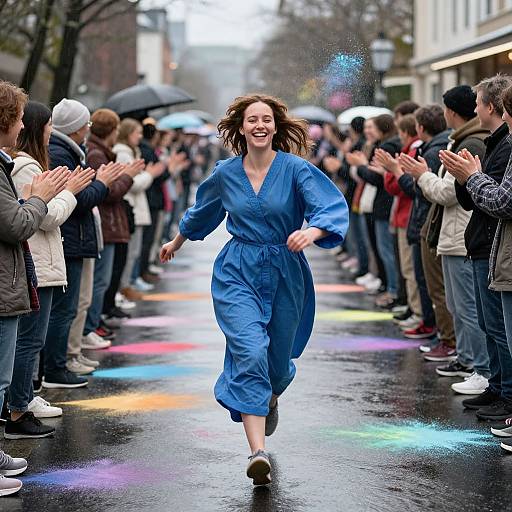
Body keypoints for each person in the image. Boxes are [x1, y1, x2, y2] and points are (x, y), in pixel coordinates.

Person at [160, 94, 348, 485]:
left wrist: (311, 231)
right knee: (249, 350)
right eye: (252, 120)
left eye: (266, 119)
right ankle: (257, 452)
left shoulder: (296, 169)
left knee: (276, 363)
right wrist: (176, 242)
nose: (259, 125)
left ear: (275, 126)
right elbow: (203, 213)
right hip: (237, 271)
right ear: (241, 128)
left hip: (285, 270)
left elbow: (328, 207)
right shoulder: (226, 173)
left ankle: (271, 396)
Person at [7, 101, 94, 439]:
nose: (49, 135)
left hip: (41, 261)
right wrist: (70, 193)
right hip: (38, 263)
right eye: (47, 129)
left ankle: (22, 399)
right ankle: (19, 405)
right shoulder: (26, 166)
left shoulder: (28, 163)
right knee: (30, 340)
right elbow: (44, 216)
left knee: (30, 339)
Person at [0, 80, 68, 496]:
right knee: (1, 378)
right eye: (19, 117)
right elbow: (17, 223)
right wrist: (45, 198)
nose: (24, 123)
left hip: (10, 282)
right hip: (6, 284)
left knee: (4, 374)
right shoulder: (14, 165)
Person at [403, 86, 489, 386]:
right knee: (456, 304)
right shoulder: (462, 140)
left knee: (465, 306)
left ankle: (479, 367)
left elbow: (448, 193)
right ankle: (467, 359)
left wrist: (422, 174)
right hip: (454, 234)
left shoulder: (471, 143)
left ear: (452, 112)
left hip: (461, 235)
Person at [443, 78, 512, 423]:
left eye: (479, 103)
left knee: (498, 327)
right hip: (484, 242)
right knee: (490, 324)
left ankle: (506, 391)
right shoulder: (496, 143)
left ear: (492, 107)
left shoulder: (502, 146)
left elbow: (500, 201)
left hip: (491, 245)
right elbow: (471, 199)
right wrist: (465, 177)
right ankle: (498, 387)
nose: (474, 109)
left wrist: (471, 176)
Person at [44, 98, 122, 388]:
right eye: (85, 124)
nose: (88, 129)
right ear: (77, 127)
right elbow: (76, 202)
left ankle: (64, 360)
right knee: (65, 309)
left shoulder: (70, 151)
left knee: (74, 304)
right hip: (70, 239)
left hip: (76, 238)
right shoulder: (61, 153)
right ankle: (56, 367)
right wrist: (101, 182)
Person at [397, 105, 451, 344]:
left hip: (428, 223)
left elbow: (421, 191)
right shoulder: (436, 146)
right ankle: (434, 328)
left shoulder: (432, 151)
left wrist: (398, 173)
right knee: (425, 280)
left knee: (433, 285)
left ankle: (442, 334)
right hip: (425, 222)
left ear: (420, 127)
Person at [376, 114, 422, 328]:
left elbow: (399, 186)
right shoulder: (410, 148)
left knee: (410, 269)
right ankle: (414, 309)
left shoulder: (413, 150)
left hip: (407, 215)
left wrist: (392, 170)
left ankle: (418, 313)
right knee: (407, 267)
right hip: (404, 215)